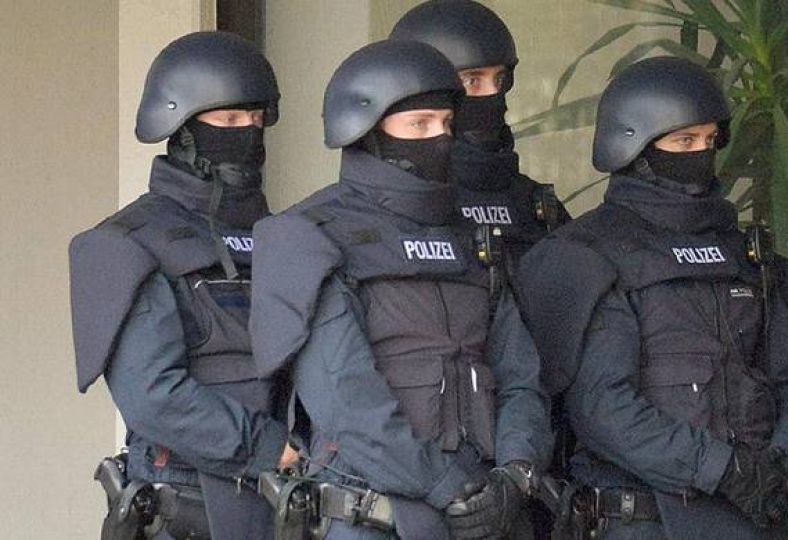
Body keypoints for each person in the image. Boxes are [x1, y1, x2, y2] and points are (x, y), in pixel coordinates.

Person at [250, 39, 552, 540]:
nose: (439, 139)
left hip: (488, 511)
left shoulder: (471, 237)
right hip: (370, 513)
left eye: (446, 124)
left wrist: (515, 475)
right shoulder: (309, 235)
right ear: (368, 130)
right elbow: (346, 399)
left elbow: (520, 375)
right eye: (419, 125)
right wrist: (447, 486)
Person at [516, 56, 788, 539]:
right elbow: (603, 408)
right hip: (647, 520)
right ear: (633, 146)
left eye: (709, 140)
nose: (700, 154)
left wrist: (785, 463)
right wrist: (721, 470)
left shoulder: (744, 253)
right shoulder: (593, 252)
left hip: (763, 516)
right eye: (684, 141)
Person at [69, 31, 296, 540]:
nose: (249, 133)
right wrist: (271, 447)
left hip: (286, 496)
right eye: (230, 121)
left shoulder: (282, 236)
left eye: (256, 119)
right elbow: (153, 395)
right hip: (190, 500)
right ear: (182, 128)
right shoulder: (129, 241)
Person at [389, 0, 570, 268]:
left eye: (499, 80)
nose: (493, 94)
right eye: (472, 81)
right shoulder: (390, 202)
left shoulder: (534, 204)